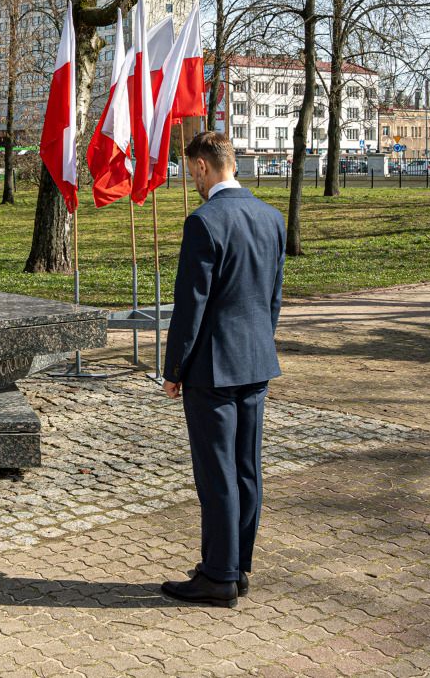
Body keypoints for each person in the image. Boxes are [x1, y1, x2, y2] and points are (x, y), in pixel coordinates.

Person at [159, 130, 285, 607]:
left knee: (216, 475)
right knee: (247, 469)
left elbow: (190, 305)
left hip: (212, 368)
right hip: (255, 360)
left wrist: (175, 368)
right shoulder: (271, 217)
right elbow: (273, 298)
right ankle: (237, 568)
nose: (192, 180)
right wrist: (259, 345)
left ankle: (218, 576)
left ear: (202, 166)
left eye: (191, 171)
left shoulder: (204, 222)